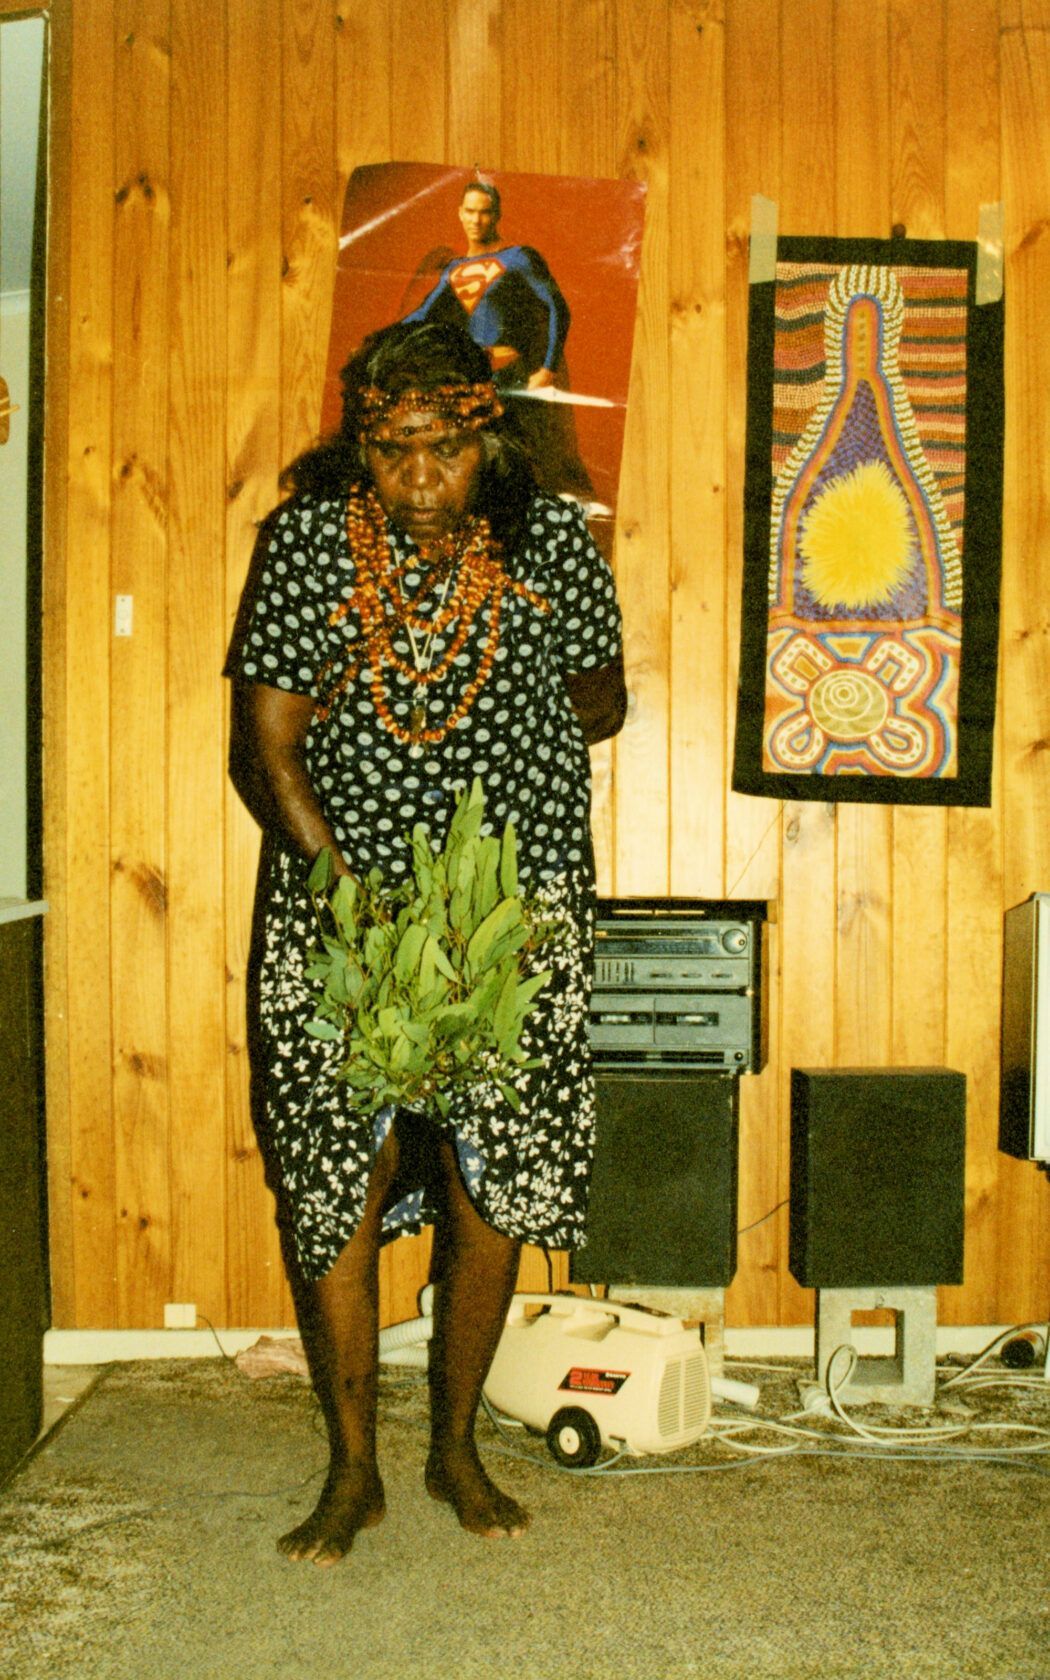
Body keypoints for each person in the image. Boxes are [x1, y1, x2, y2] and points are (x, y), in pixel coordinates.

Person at [232, 319, 626, 1567]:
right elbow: (268, 748)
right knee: (334, 1177)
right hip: (340, 900)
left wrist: (530, 691)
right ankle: (354, 1469)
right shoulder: (306, 543)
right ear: (363, 444)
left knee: (492, 1172)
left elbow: (605, 698)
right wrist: (347, 902)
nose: (414, 475)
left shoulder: (554, 540)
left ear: (484, 436)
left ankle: (454, 1445)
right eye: (390, 448)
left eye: (440, 448)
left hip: (509, 905)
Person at [402, 181, 593, 500]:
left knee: (523, 464)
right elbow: (422, 314)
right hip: (474, 380)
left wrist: (547, 368)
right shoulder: (453, 269)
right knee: (474, 467)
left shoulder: (518, 257)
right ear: (460, 214)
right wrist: (377, 341)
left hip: (512, 378)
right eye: (470, 212)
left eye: (485, 213)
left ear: (497, 215)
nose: (476, 220)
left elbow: (556, 306)